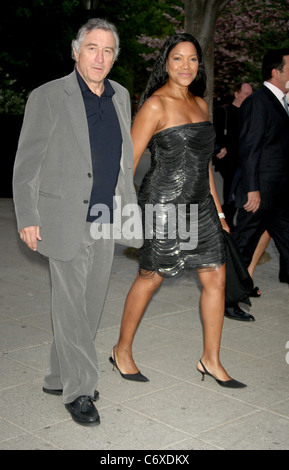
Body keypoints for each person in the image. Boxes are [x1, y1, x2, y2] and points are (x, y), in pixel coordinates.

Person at [12, 18, 142, 426]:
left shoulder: (120, 95)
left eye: (107, 51)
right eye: (92, 48)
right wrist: (28, 216)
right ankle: (80, 389)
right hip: (62, 217)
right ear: (76, 51)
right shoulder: (49, 96)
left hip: (104, 216)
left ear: (114, 57)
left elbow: (123, 160)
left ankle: (56, 375)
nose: (100, 57)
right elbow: (26, 163)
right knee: (70, 306)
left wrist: (127, 209)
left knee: (87, 306)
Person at [109, 33, 247, 389]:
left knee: (215, 277)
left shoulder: (201, 104)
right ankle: (121, 350)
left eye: (192, 59)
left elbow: (204, 167)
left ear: (199, 65)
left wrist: (218, 213)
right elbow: (129, 163)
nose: (185, 66)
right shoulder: (155, 105)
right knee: (150, 277)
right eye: (177, 59)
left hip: (200, 205)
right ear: (166, 63)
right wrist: (122, 212)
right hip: (163, 204)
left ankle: (210, 359)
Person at [231, 48, 289, 313]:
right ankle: (228, 301)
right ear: (276, 72)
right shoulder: (258, 101)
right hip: (260, 194)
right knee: (243, 247)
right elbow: (249, 148)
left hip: (279, 195)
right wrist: (252, 189)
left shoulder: (282, 102)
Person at [213, 82, 253, 231]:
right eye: (246, 93)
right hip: (228, 162)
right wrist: (220, 147)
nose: (249, 96)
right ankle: (226, 224)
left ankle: (224, 222)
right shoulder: (223, 112)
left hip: (243, 161)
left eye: (251, 93)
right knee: (232, 193)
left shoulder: (250, 114)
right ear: (237, 94)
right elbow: (214, 134)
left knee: (235, 195)